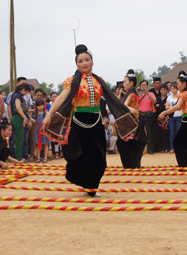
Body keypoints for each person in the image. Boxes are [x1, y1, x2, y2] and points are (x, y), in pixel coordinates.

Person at [42, 44, 137, 197]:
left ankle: (91, 184)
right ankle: (89, 186)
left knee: (100, 159)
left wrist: (129, 109)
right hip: (79, 123)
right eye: (80, 61)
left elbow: (112, 99)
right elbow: (61, 98)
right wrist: (49, 114)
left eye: (87, 59)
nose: (84, 63)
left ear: (92, 61)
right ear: (76, 64)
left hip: (96, 122)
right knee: (85, 155)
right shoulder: (72, 81)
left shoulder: (99, 80)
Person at [159, 71, 187, 167]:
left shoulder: (183, 94)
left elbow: (177, 107)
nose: (177, 86)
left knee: (177, 142)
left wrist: (164, 112)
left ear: (184, 84)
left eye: (178, 84)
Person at [116, 69, 145, 168]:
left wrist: (132, 110)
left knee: (124, 144)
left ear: (131, 83)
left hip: (131, 124)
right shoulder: (132, 93)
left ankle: (130, 165)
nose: (123, 84)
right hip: (134, 122)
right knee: (131, 145)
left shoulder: (131, 93)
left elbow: (125, 106)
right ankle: (133, 164)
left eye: (125, 82)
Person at [10, 82, 31, 161]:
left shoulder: (15, 95)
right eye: (26, 91)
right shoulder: (17, 95)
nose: (26, 94)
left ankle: (18, 157)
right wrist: (24, 117)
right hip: (18, 118)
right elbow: (18, 107)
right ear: (23, 90)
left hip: (17, 117)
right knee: (19, 139)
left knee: (19, 139)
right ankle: (19, 158)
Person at [138, 80, 157, 154]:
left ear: (147, 86)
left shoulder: (151, 93)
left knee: (150, 132)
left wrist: (148, 94)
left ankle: (150, 149)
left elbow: (154, 101)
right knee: (140, 132)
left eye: (145, 85)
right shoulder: (138, 94)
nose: (144, 86)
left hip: (149, 115)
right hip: (140, 115)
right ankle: (140, 149)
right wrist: (137, 92)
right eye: (142, 85)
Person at [167, 83, 182, 154]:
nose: (173, 90)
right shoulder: (169, 97)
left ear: (177, 89)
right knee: (172, 133)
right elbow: (166, 106)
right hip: (172, 117)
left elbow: (180, 107)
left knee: (179, 133)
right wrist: (174, 108)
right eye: (172, 89)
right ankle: (172, 148)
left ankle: (179, 148)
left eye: (174, 88)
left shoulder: (180, 97)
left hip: (179, 116)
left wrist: (172, 108)